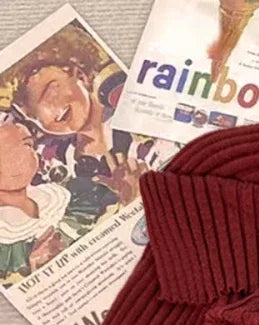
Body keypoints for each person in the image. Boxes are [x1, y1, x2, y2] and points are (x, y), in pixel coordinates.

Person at [2, 22, 150, 211]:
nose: (47, 116)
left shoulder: (138, 125)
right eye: (32, 116)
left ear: (80, 74)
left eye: (49, 93)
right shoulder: (53, 165)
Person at [0, 114, 68, 284]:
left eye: (27, 145)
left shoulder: (58, 197)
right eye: (5, 151)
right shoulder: (5, 235)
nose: (22, 156)